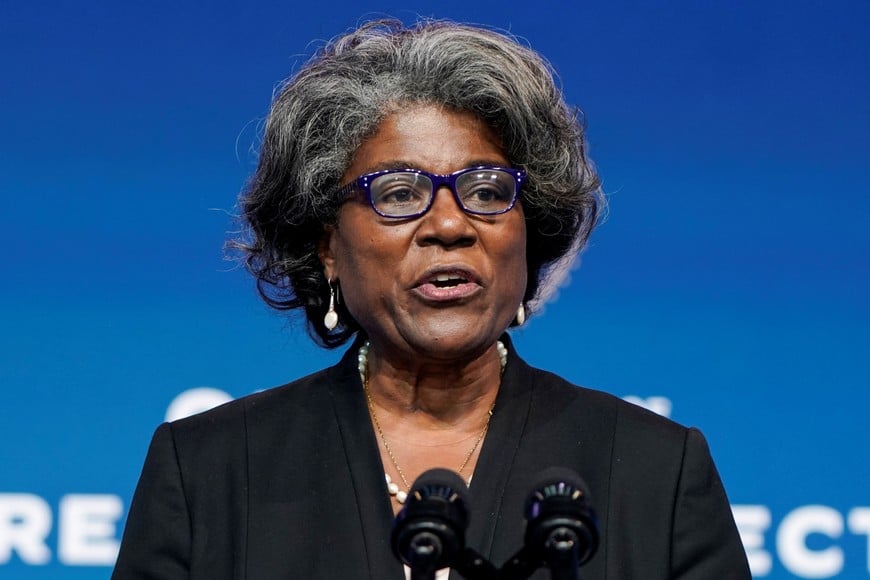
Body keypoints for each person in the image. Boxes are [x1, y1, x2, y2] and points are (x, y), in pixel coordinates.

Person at [112, 18, 750, 579]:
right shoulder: (209, 471)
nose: (449, 224)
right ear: (326, 244)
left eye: (485, 189)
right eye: (397, 193)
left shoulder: (655, 473)